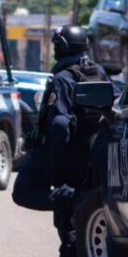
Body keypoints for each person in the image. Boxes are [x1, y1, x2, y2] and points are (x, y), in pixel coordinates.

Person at [12, 25, 117, 257]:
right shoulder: (98, 71)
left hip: (68, 162)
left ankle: (72, 200)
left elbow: (60, 124)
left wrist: (48, 157)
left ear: (61, 48)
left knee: (24, 192)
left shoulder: (62, 79)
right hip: (94, 160)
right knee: (80, 229)